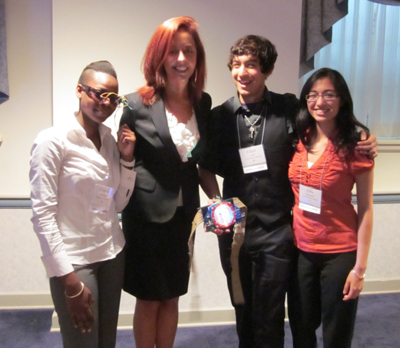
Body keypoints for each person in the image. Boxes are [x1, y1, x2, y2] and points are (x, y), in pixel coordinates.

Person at [198, 35, 377, 348]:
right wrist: (216, 206)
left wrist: (364, 135)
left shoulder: (289, 108)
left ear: (266, 69)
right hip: (234, 231)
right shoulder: (218, 117)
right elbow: (203, 167)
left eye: (251, 64)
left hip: (278, 232)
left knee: (269, 315)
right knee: (242, 308)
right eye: (237, 65)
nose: (243, 72)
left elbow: (328, 125)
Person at [30, 60, 137, 348]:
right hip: (76, 262)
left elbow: (118, 203)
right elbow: (42, 216)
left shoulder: (109, 140)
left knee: (107, 342)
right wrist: (69, 281)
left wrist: (127, 159)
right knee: (83, 342)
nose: (106, 102)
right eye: (98, 93)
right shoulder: (52, 141)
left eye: (113, 98)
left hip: (113, 254)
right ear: (79, 90)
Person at [119, 16, 211, 348]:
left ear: (197, 57)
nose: (181, 60)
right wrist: (126, 156)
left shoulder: (204, 103)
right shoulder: (134, 102)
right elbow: (124, 159)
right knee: (148, 298)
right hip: (144, 216)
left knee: (172, 295)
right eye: (173, 51)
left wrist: (215, 200)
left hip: (184, 217)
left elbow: (201, 163)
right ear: (160, 56)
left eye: (189, 51)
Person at [288, 68, 374, 348]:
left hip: (340, 253)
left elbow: (366, 210)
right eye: (312, 95)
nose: (319, 102)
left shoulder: (356, 145)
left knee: (336, 334)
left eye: (328, 94)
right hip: (301, 250)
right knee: (301, 328)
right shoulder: (300, 138)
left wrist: (359, 269)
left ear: (341, 100)